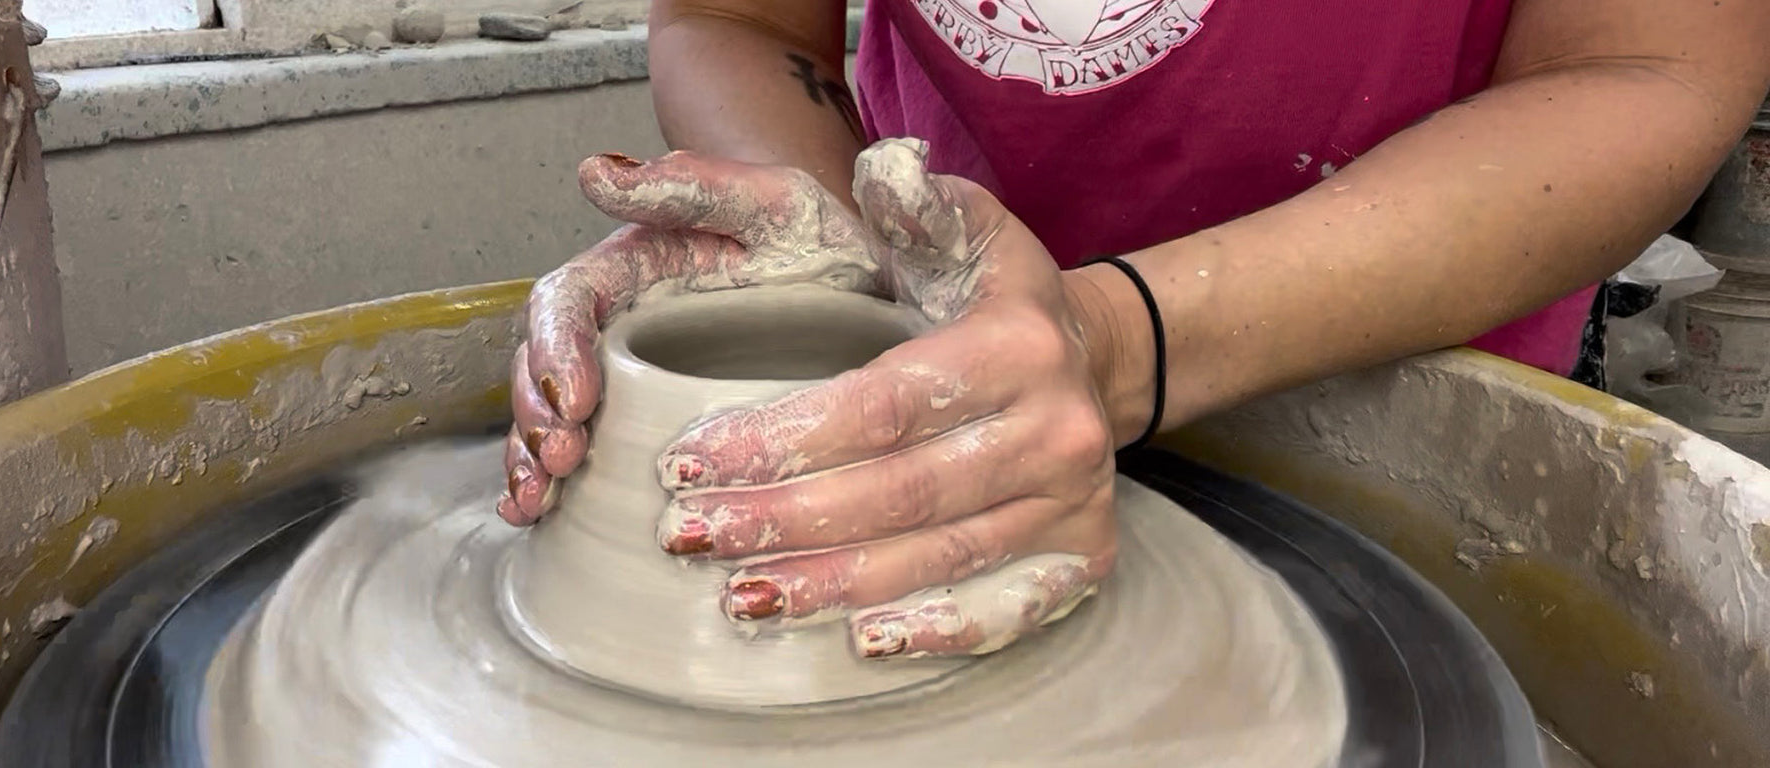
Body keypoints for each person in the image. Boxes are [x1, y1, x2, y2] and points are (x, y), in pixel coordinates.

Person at [497, 0, 1770, 660]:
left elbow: (1646, 61)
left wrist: (1111, 338)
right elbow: (741, 22)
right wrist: (838, 278)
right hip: (939, 331)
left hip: (1402, 366)